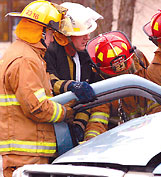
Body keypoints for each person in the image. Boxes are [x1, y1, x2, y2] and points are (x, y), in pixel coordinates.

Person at [0, 1, 76, 176]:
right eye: (50, 33)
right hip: (27, 155)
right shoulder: (26, 60)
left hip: (27, 153)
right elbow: (37, 107)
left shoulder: (24, 53)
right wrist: (67, 112)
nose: (51, 39)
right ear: (40, 32)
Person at [44, 2, 103, 142]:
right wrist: (71, 86)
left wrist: (79, 125)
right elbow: (49, 82)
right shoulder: (50, 52)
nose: (87, 37)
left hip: (73, 123)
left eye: (88, 33)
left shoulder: (83, 56)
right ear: (67, 36)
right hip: (54, 127)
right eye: (82, 33)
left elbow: (87, 97)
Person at [84, 31, 149, 140]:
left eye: (126, 72)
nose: (122, 80)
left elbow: (158, 101)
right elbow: (98, 121)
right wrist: (88, 144)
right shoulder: (103, 89)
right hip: (121, 140)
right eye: (116, 76)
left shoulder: (141, 64)